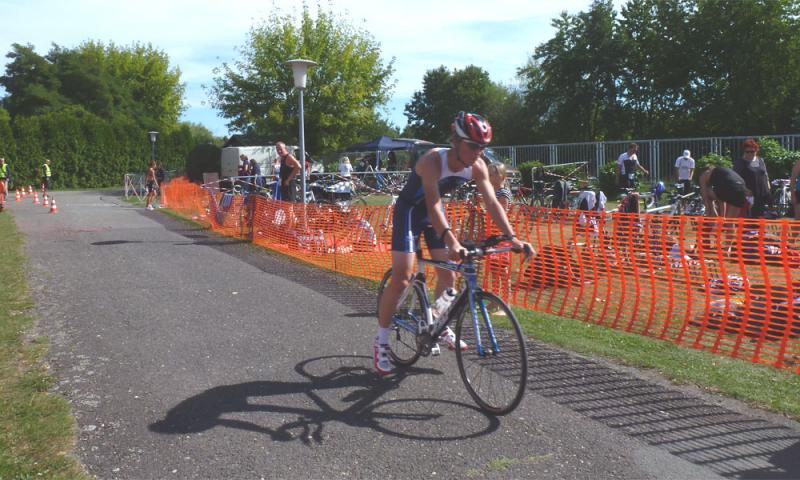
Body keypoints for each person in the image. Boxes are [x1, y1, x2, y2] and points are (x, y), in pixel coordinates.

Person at [374, 111, 534, 375]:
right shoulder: (432, 161)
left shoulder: (478, 165)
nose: (478, 153)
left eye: (482, 147)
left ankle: (439, 324)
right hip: (411, 212)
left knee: (448, 278)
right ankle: (381, 341)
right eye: (473, 146)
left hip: (434, 215)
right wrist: (452, 241)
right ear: (456, 141)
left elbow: (492, 203)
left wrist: (512, 237)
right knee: (402, 277)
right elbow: (433, 203)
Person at [733, 138, 770, 218]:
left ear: (756, 151)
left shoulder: (761, 160)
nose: (750, 153)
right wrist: (745, 190)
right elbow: (735, 180)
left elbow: (765, 175)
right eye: (747, 151)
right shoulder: (739, 163)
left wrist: (768, 187)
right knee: (750, 217)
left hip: (763, 194)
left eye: (752, 151)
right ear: (744, 151)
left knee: (762, 217)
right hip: (749, 195)